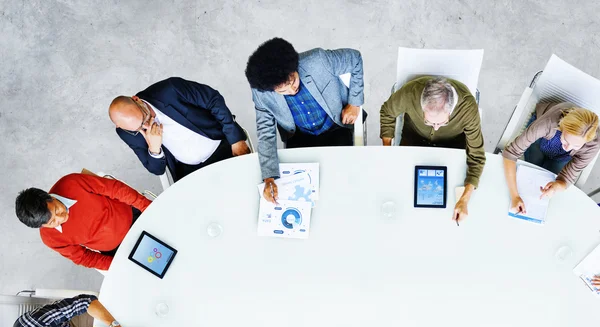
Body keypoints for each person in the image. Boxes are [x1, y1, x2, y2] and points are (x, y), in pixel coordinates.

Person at [245, 38, 364, 203]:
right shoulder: (261, 93)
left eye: (292, 81)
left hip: (337, 126)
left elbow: (355, 59)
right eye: (282, 90)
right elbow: (266, 132)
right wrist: (269, 176)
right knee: (303, 197)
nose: (292, 90)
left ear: (294, 67)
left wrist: (354, 102)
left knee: (344, 184)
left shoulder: (319, 60)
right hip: (300, 136)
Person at [380, 76, 486, 223]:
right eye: (428, 121)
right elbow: (387, 111)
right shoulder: (410, 93)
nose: (435, 127)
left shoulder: (468, 108)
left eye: (442, 123)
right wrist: (387, 150)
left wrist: (464, 200)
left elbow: (477, 157)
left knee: (450, 197)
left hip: (452, 145)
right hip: (413, 139)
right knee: (401, 190)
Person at [109, 77, 250, 182]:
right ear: (119, 126)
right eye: (139, 128)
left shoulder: (170, 90)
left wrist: (236, 140)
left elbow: (214, 100)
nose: (146, 126)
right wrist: (154, 149)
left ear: (137, 99)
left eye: (144, 118)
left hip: (222, 148)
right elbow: (156, 169)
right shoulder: (126, 132)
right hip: (188, 171)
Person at [15, 173, 152, 270]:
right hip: (117, 250)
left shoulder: (70, 183)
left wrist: (146, 206)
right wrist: (119, 264)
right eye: (52, 223)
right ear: (42, 226)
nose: (60, 218)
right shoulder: (51, 239)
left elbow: (116, 189)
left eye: (57, 210)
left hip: (133, 217)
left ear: (50, 197)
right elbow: (84, 258)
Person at [502, 103, 599, 213]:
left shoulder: (594, 144)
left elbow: (567, 178)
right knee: (531, 170)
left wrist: (557, 185)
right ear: (562, 126)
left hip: (562, 158)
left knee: (547, 181)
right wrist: (515, 196)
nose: (567, 148)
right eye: (566, 140)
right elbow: (511, 153)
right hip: (541, 139)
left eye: (576, 146)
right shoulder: (547, 123)